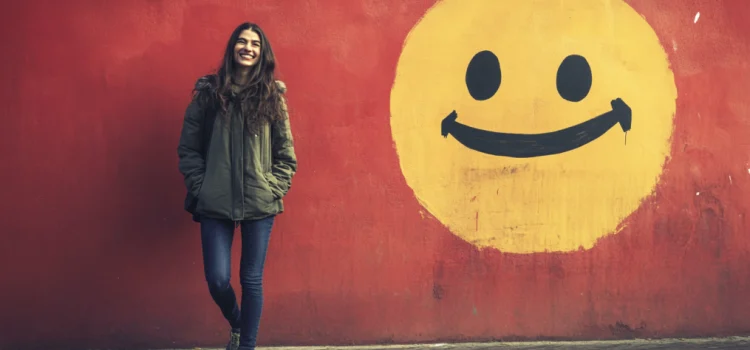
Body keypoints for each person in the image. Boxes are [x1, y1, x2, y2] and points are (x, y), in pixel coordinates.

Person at [177, 22, 297, 350]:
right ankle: (237, 323)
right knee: (217, 280)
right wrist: (202, 186)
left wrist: (273, 187)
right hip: (214, 201)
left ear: (262, 53)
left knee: (252, 280)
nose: (248, 47)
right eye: (242, 42)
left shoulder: (273, 98)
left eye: (255, 43)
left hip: (260, 202)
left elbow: (286, 156)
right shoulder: (209, 95)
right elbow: (188, 148)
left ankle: (246, 345)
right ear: (232, 48)